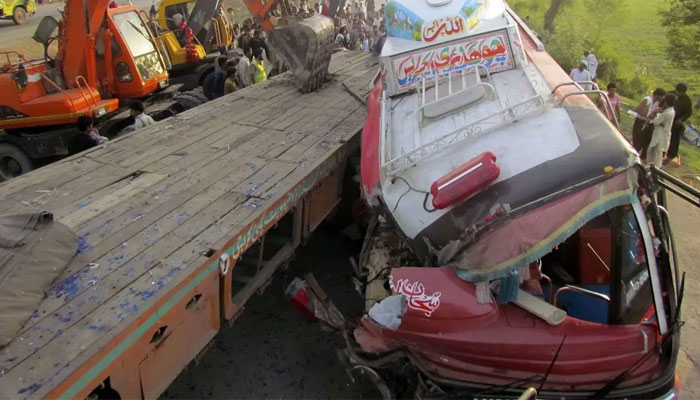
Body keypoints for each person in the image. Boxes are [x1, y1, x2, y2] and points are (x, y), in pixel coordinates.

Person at [632, 88, 666, 156]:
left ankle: (642, 156)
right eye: (661, 96)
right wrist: (648, 115)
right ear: (656, 95)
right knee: (638, 141)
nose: (662, 98)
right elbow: (637, 110)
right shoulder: (647, 100)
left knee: (646, 141)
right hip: (641, 121)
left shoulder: (658, 103)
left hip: (649, 123)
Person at [647, 94, 677, 167]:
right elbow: (659, 122)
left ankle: (655, 170)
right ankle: (650, 167)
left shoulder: (667, 113)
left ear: (666, 102)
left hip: (661, 135)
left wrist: (655, 114)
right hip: (660, 133)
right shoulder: (670, 111)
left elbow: (656, 122)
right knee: (652, 151)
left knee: (657, 154)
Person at [666, 83, 693, 165]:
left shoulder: (687, 100)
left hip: (677, 121)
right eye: (677, 91)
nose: (678, 94)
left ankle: (670, 156)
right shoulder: (671, 93)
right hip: (667, 118)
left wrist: (681, 120)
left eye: (680, 92)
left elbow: (689, 113)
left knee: (674, 139)